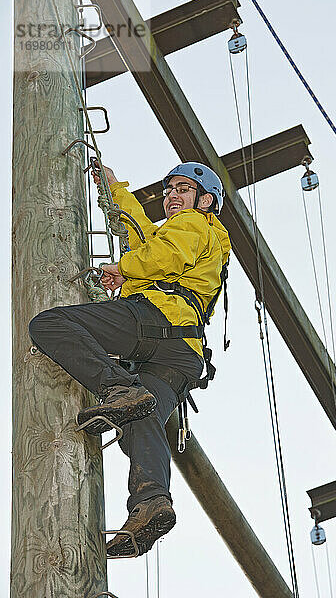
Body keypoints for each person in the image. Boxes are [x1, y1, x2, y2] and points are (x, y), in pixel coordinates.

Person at [29, 161, 231, 557]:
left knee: (50, 324)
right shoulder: (186, 233)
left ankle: (116, 387)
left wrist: (121, 270)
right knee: (143, 418)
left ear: (205, 201)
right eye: (169, 189)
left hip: (156, 321)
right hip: (182, 353)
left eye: (184, 190)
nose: (173, 195)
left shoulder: (194, 225)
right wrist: (114, 187)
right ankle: (150, 503)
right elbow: (142, 234)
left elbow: (163, 254)